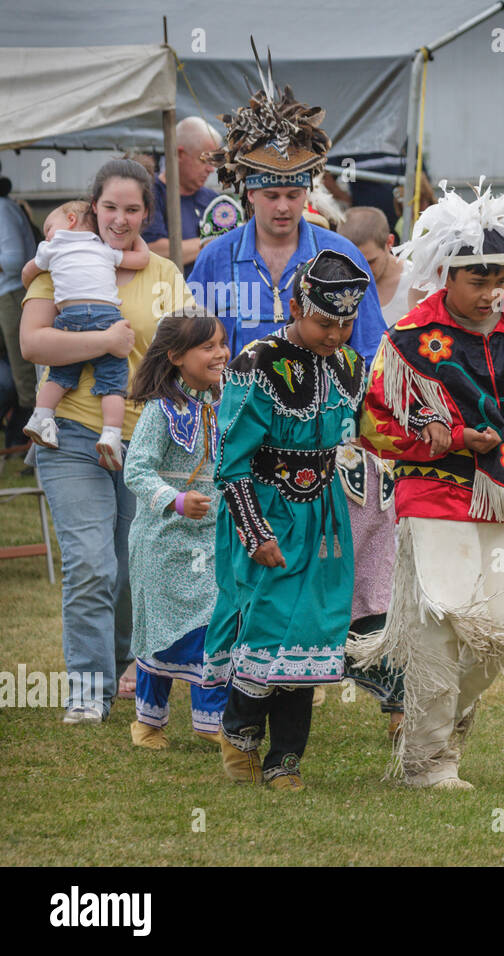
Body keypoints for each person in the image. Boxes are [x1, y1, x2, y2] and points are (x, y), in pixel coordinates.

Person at [352, 180, 504, 791]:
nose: (492, 295)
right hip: (434, 496)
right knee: (443, 617)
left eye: (500, 281)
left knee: (501, 632)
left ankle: (432, 730)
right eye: (478, 282)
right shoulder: (407, 342)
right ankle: (429, 762)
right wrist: (450, 438)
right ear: (445, 276)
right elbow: (373, 424)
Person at [21, 157, 194, 724]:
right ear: (93, 206)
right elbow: (34, 346)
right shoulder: (65, 259)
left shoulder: (163, 272)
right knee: (92, 563)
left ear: (148, 211)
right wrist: (106, 340)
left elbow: (185, 349)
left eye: (133, 209)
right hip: (70, 433)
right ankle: (86, 690)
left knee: (129, 561)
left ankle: (130, 662)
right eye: (110, 207)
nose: (120, 219)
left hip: (145, 440)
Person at [203, 250, 370, 790]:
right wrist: (255, 533)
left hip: (323, 519)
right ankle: (240, 732)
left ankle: (285, 760)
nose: (335, 335)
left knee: (314, 633)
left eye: (346, 323)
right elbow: (230, 464)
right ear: (296, 306)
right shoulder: (256, 362)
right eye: (324, 321)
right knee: (268, 628)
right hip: (267, 512)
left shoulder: (349, 366)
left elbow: (360, 436)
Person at [189, 64, 387, 365]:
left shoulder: (342, 255)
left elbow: (372, 350)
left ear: (306, 193)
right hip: (239, 410)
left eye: (293, 195)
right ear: (251, 195)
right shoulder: (215, 258)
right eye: (272, 196)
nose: (283, 206)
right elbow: (190, 345)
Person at [123, 307, 230, 749]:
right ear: (176, 356)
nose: (221, 353)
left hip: (212, 537)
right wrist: (177, 499)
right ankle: (149, 722)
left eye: (222, 343)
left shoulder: (227, 403)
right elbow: (136, 470)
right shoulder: (161, 411)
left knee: (214, 623)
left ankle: (214, 721)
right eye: (207, 347)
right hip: (163, 539)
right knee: (163, 630)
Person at [337, 205, 416, 737]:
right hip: (347, 450)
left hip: (398, 445)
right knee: (348, 573)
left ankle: (399, 703)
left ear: (391, 243)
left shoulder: (421, 288)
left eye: (368, 262)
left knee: (385, 579)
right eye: (353, 265)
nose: (361, 275)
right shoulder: (339, 287)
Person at [20, 201, 151, 467]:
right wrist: (137, 237)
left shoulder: (51, 247)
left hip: (70, 317)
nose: (47, 235)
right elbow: (141, 259)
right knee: (113, 384)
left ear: (70, 220)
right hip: (107, 319)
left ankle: (41, 417)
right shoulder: (104, 248)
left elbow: (27, 273)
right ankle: (112, 435)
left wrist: (35, 274)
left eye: (48, 228)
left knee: (60, 374)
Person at [141, 117, 221, 274]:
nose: (211, 169)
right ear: (180, 154)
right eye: (204, 160)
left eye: (213, 161)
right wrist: (213, 243)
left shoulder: (213, 200)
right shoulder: (149, 193)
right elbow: (153, 250)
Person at [0, 175, 38, 436]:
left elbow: (13, 260)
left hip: (12, 294)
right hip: (9, 293)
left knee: (23, 371)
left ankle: (28, 441)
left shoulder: (2, 209)